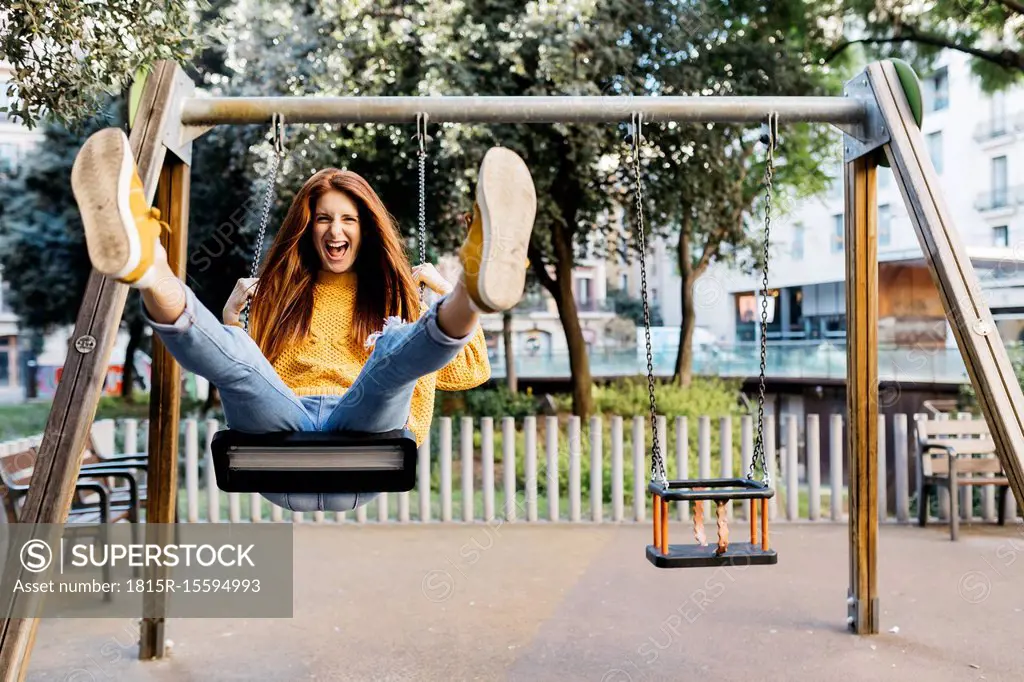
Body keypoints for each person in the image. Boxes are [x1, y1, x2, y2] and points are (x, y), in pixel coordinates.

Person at [70, 128, 537, 512]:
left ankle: (470, 289)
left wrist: (436, 291)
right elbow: (243, 383)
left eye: (349, 220)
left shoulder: (398, 293)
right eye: (322, 219)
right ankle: (147, 265)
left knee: (390, 361)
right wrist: (234, 323)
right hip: (280, 445)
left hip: (367, 447)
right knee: (241, 362)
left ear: (367, 227)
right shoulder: (278, 295)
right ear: (306, 227)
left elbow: (471, 372)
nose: (335, 231)